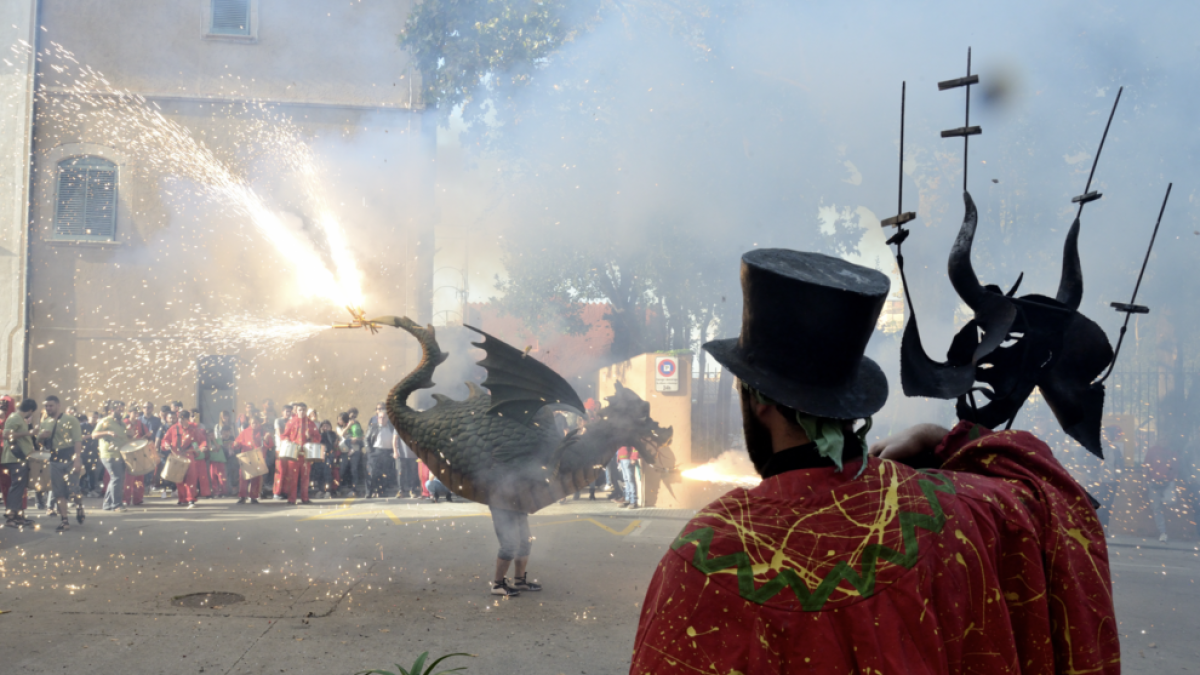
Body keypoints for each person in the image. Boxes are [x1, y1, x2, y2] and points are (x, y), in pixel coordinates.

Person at [630, 249, 1118, 674]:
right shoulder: (958, 512)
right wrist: (946, 441)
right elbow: (1055, 503)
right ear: (850, 401)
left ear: (757, 398)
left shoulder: (709, 555)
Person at [37, 395, 84, 532]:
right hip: (55, 459)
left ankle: (79, 506)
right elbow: (39, 443)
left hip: (70, 457)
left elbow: (77, 440)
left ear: (58, 405)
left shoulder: (71, 420)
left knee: (74, 490)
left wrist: (77, 459)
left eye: (50, 405)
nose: (48, 408)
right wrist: (41, 437)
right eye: (46, 406)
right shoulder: (45, 422)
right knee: (58, 492)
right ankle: (64, 521)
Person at [3, 398, 39, 529]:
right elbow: (6, 435)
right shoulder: (15, 418)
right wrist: (29, 432)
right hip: (15, 458)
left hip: (19, 458)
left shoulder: (18, 418)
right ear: (30, 410)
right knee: (17, 487)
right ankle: (10, 518)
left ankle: (18, 516)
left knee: (20, 487)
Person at [161, 410, 207, 507]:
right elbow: (165, 440)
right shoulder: (173, 428)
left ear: (187, 419)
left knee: (191, 478)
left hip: (189, 456)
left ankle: (191, 499)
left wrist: (202, 446)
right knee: (179, 479)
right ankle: (182, 499)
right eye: (179, 420)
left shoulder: (194, 429)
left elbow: (201, 440)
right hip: (177, 456)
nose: (181, 422)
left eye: (183, 420)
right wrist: (166, 444)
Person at [91, 400, 131, 512]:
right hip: (109, 454)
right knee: (117, 478)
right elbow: (94, 435)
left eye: (123, 409)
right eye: (119, 409)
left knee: (116, 479)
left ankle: (107, 504)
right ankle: (116, 505)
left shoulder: (122, 423)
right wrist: (108, 432)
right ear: (112, 410)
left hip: (121, 454)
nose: (121, 412)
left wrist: (129, 434)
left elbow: (124, 438)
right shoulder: (105, 421)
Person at [279, 402, 319, 505]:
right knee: (292, 477)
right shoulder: (291, 422)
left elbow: (318, 437)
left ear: (306, 411)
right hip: (294, 454)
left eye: (304, 410)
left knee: (305, 478)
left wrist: (311, 438)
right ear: (296, 411)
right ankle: (291, 499)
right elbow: (284, 435)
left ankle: (305, 498)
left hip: (306, 455)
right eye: (300, 410)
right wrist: (288, 440)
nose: (302, 412)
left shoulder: (311, 423)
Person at [1144, 440, 1179, 542]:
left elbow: (1176, 469)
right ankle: (1162, 532)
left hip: (1168, 483)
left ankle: (1165, 529)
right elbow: (1146, 466)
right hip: (1154, 483)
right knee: (1156, 508)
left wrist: (1172, 480)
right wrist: (1146, 481)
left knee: (1170, 501)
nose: (1164, 440)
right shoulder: (1152, 450)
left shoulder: (1173, 452)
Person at [233, 413, 270, 504]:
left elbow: (269, 445)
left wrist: (266, 440)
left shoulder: (263, 432)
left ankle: (253, 497)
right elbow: (238, 442)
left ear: (258, 423)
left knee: (256, 478)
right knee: (243, 477)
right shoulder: (245, 432)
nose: (254, 425)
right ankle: (242, 496)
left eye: (256, 423)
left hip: (257, 456)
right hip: (246, 456)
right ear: (250, 422)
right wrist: (236, 444)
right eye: (252, 423)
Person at [367, 403, 397, 497]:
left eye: (383, 417)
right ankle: (369, 492)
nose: (381, 419)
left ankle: (382, 491)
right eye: (380, 417)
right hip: (376, 452)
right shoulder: (373, 427)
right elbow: (366, 439)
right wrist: (370, 451)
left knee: (385, 472)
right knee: (372, 473)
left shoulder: (391, 427)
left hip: (387, 452)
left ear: (387, 418)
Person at [339, 410, 367, 497]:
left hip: (355, 450)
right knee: (343, 469)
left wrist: (356, 439)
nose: (353, 419)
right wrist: (349, 425)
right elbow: (342, 434)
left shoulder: (357, 425)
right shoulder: (344, 425)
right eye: (351, 417)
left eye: (354, 417)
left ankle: (354, 489)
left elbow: (362, 437)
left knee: (354, 469)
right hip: (345, 451)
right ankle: (339, 487)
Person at [209, 410, 236, 497]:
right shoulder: (217, 426)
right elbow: (217, 438)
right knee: (221, 473)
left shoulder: (232, 425)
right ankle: (220, 490)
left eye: (227, 416)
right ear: (221, 417)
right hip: (220, 451)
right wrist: (223, 441)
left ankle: (230, 489)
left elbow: (234, 437)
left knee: (230, 470)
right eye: (224, 416)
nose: (226, 418)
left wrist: (231, 443)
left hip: (230, 451)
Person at [272, 403, 293, 500]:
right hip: (280, 449)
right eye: (286, 411)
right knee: (280, 471)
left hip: (290, 449)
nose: (288, 413)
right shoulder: (278, 420)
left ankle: (285, 491)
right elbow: (279, 433)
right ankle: (276, 493)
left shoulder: (292, 421)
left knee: (288, 471)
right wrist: (286, 438)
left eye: (290, 411)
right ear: (282, 412)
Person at [314, 420, 338, 498]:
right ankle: (321, 490)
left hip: (329, 453)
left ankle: (328, 491)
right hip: (320, 454)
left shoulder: (333, 434)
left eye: (327, 426)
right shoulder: (318, 434)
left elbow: (332, 441)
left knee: (327, 471)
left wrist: (327, 432)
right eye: (323, 426)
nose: (325, 427)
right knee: (319, 472)